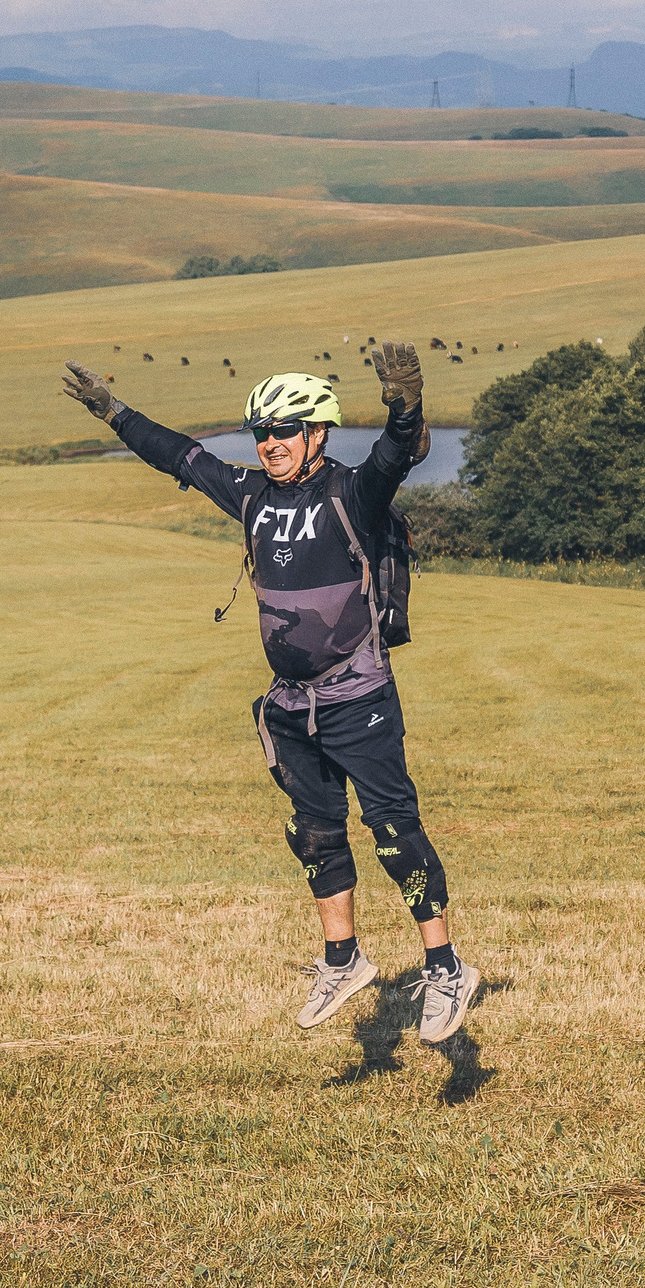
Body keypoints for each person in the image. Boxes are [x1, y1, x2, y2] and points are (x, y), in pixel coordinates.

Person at [60, 345, 477, 1046]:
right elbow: (181, 456)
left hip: (359, 696)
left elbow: (395, 453)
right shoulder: (252, 495)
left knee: (393, 832)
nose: (269, 444)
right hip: (290, 706)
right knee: (313, 832)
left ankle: (445, 967)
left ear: (317, 433)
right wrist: (113, 412)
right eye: (261, 432)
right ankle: (343, 959)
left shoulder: (351, 492)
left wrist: (405, 399)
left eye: (284, 431)